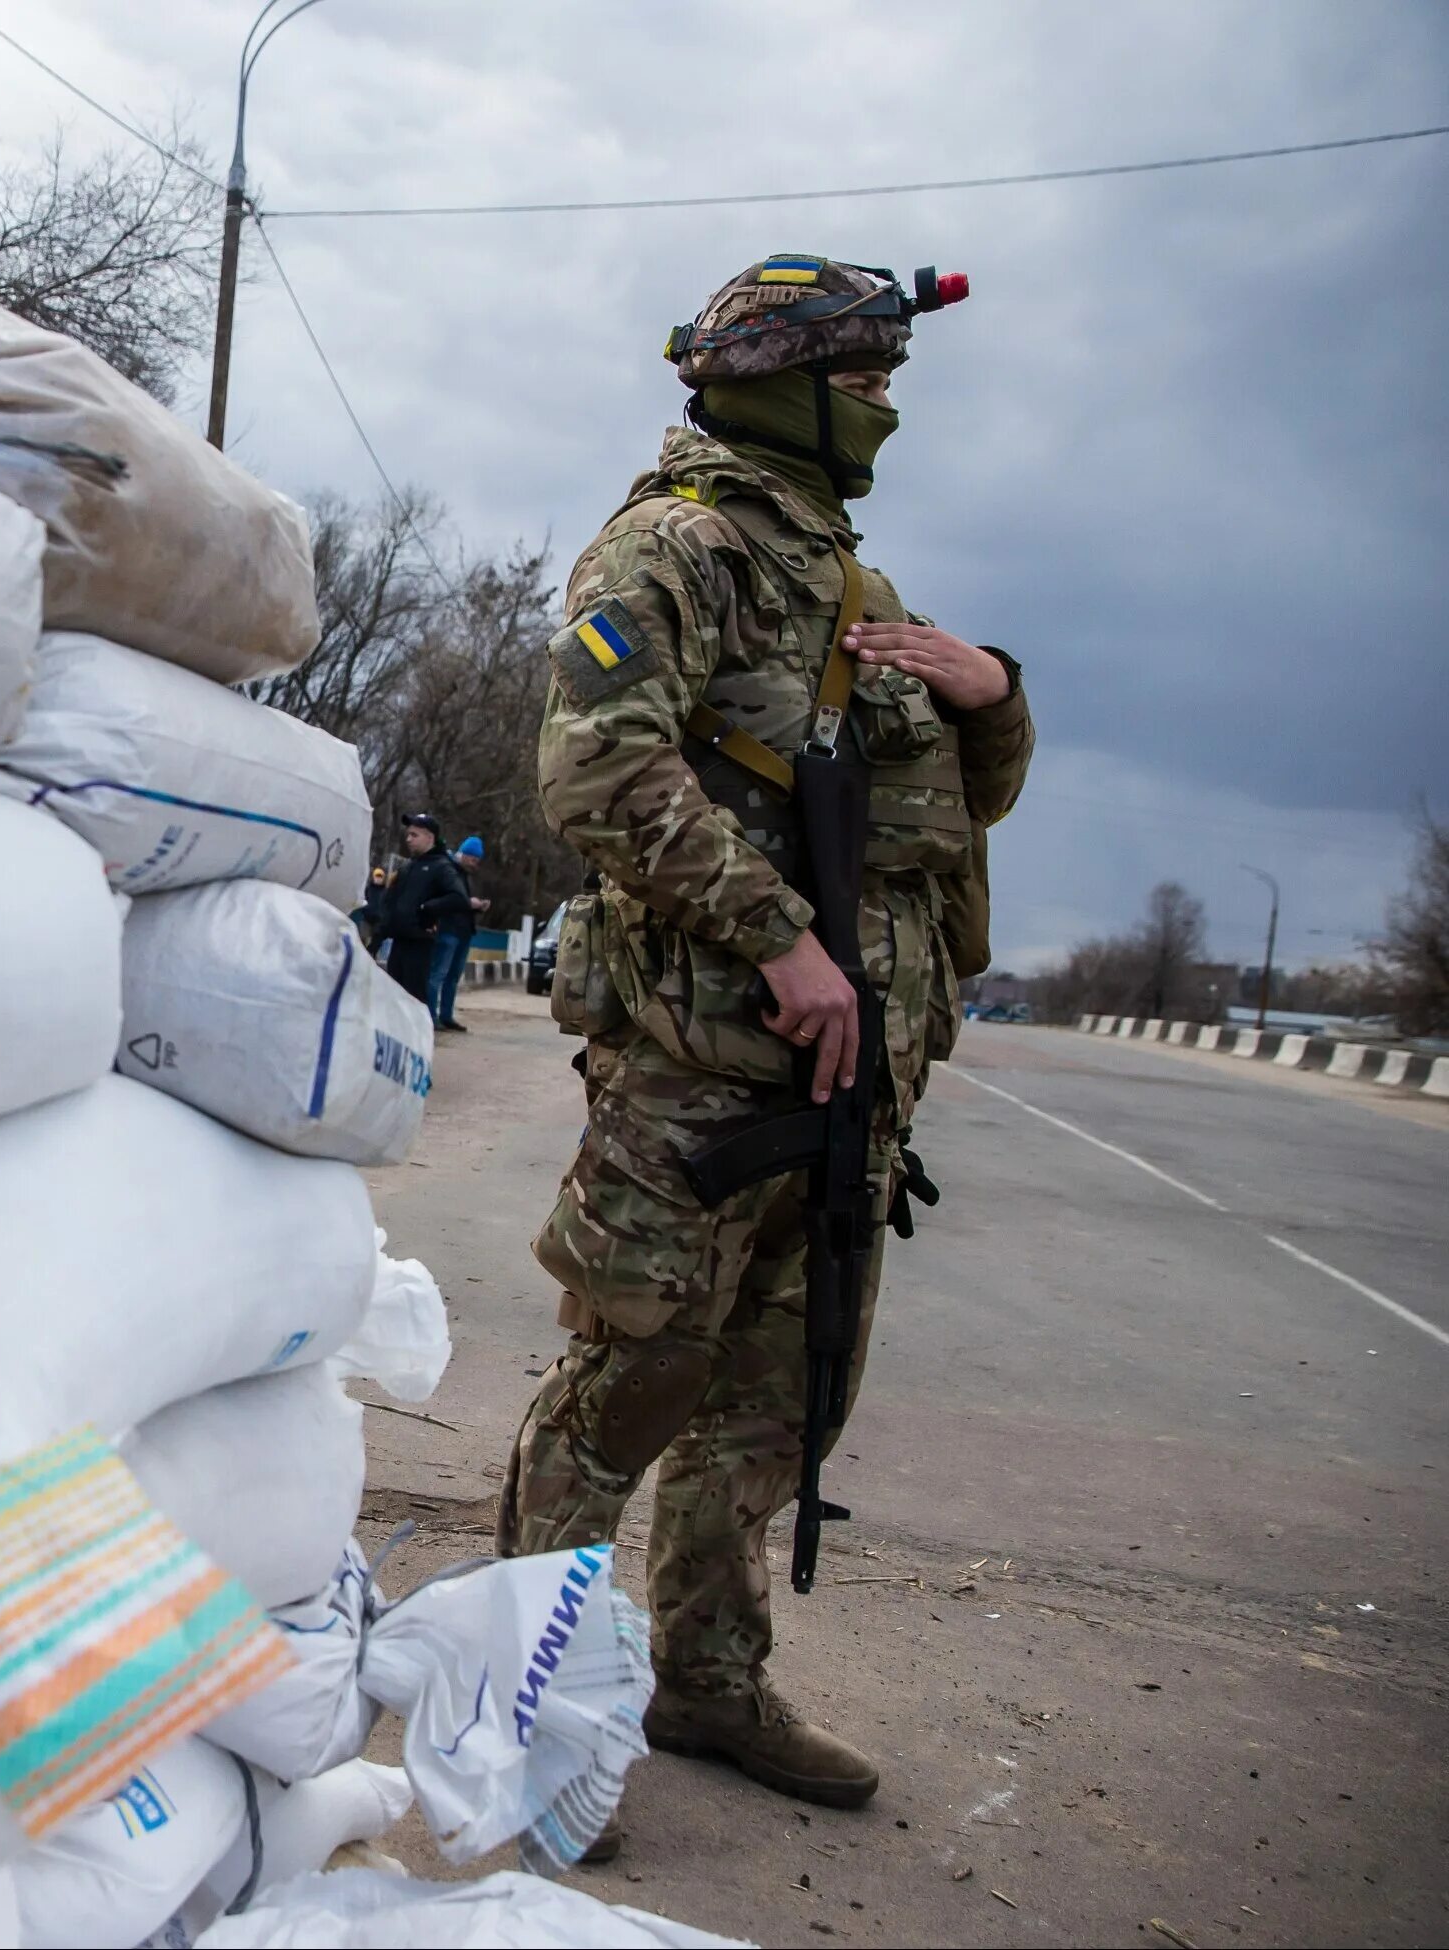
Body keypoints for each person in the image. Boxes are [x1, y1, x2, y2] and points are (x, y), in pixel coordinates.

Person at [496, 255, 1033, 1825]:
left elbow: (959, 802)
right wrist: (781, 939)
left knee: (777, 1402)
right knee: (631, 1382)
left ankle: (707, 1680)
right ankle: (521, 1700)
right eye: (863, 382)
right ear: (782, 382)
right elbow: (594, 771)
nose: (884, 410)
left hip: (847, 1092)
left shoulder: (855, 587)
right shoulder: (678, 546)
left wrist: (991, 690)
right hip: (701, 1073)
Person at [378, 813, 474, 1007]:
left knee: (413, 999)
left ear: (430, 838)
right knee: (393, 999)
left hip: (419, 943)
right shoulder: (408, 867)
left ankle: (420, 1033)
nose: (408, 839)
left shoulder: (441, 867)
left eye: (414, 835)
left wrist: (428, 909)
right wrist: (378, 936)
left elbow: (459, 898)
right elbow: (392, 903)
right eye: (408, 835)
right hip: (398, 942)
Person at [428, 836, 492, 1032]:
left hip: (463, 930)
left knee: (453, 976)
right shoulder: (448, 870)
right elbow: (448, 899)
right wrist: (468, 902)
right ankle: (431, 1016)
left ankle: (446, 1016)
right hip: (447, 929)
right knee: (438, 974)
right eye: (473, 859)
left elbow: (461, 900)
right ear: (464, 854)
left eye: (477, 861)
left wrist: (477, 906)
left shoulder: (463, 874)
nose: (475, 864)